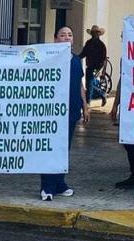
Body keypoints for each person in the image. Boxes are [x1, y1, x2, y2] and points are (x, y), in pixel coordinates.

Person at [40, 26, 90, 201]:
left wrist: (85, 104)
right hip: (53, 113)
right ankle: (47, 186)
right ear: (55, 39)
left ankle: (60, 183)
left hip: (71, 111)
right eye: (63, 35)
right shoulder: (49, 59)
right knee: (51, 148)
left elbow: (79, 84)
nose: (67, 37)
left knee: (64, 149)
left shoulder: (76, 60)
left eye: (70, 34)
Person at [81, 25, 107, 106]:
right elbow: (83, 53)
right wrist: (76, 58)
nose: (95, 34)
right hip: (89, 67)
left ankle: (88, 102)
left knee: (90, 84)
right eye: (93, 32)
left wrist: (101, 69)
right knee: (89, 84)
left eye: (96, 32)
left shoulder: (101, 45)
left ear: (99, 34)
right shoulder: (88, 43)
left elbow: (104, 58)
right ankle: (102, 93)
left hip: (96, 67)